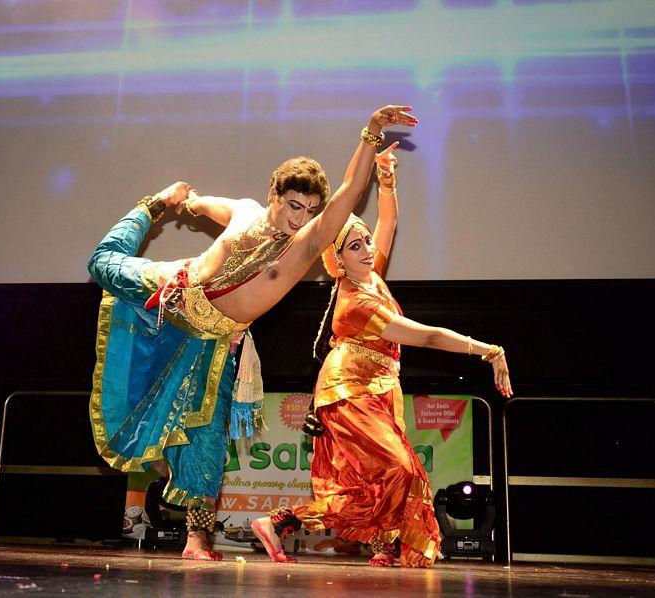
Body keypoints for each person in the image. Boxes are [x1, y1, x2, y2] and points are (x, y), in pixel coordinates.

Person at [88, 106, 418, 560]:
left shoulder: (302, 249)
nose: (301, 218)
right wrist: (179, 201)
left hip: (214, 338)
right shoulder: (245, 212)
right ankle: (150, 204)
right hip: (172, 292)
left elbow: (349, 191)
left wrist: (371, 134)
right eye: (293, 206)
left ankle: (197, 541)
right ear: (274, 196)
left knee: (205, 439)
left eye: (310, 211)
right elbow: (205, 205)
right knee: (102, 264)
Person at [251, 144, 513, 567]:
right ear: (336, 259)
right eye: (355, 246)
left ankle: (378, 546)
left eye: (367, 241)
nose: (369, 249)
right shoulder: (356, 302)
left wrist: (386, 178)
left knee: (375, 478)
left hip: (378, 387)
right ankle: (285, 521)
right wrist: (488, 351)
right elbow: (426, 338)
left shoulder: (371, 275)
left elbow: (388, 220)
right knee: (399, 469)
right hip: (349, 392)